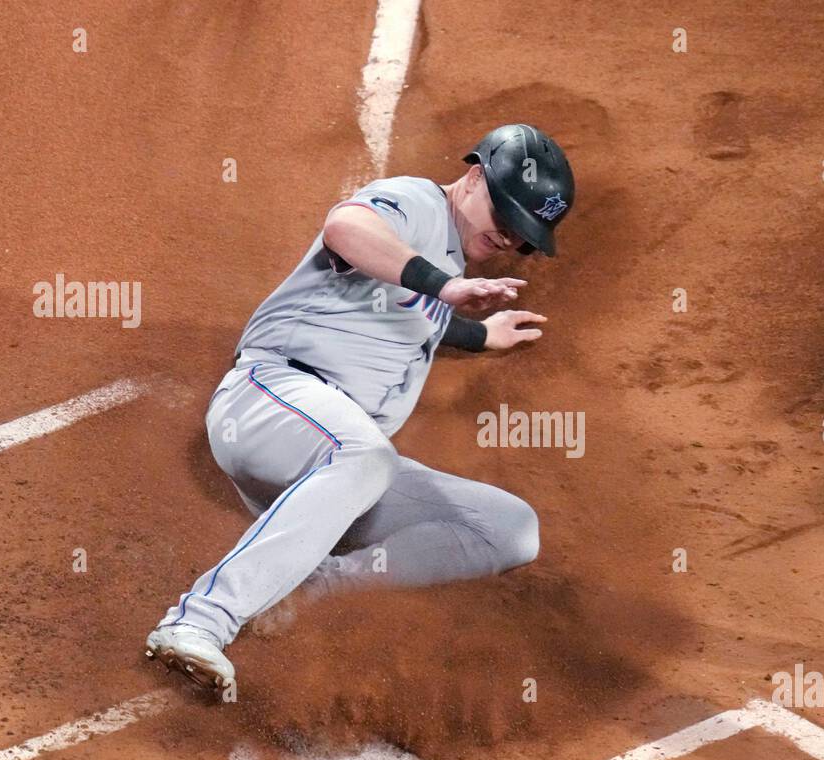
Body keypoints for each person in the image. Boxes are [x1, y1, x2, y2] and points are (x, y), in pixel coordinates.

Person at [143, 124, 575, 693]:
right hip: (270, 402)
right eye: (508, 221)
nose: (511, 242)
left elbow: (403, 311)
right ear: (474, 178)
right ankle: (199, 621)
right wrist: (445, 289)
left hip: (335, 468)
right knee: (369, 455)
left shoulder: (447, 256)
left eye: (524, 237)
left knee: (509, 528)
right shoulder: (420, 205)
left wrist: (478, 335)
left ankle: (314, 583)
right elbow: (346, 228)